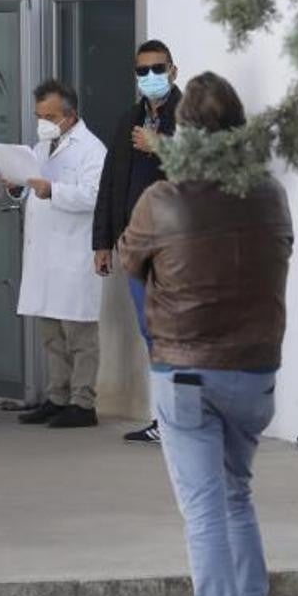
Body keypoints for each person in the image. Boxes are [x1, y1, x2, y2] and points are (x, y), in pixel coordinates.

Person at [119, 72, 293, 596]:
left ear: (182, 133)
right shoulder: (270, 193)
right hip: (256, 370)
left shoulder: (162, 200)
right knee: (237, 498)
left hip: (186, 372)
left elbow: (130, 263)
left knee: (204, 515)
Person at [92, 39, 182, 444]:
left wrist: (161, 145)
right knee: (152, 332)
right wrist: (103, 241)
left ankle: (183, 422)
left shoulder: (191, 115)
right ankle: (164, 420)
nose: (150, 77)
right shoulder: (128, 118)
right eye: (142, 71)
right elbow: (111, 183)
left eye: (157, 69)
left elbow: (210, 166)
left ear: (173, 71)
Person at [6, 80, 107, 429]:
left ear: (70, 115)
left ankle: (83, 402)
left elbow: (95, 196)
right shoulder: (42, 145)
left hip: (73, 252)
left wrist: (54, 191)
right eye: (39, 115)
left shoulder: (92, 150)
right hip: (45, 255)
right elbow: (35, 188)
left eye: (49, 116)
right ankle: (57, 397)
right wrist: (19, 187)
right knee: (51, 334)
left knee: (80, 335)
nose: (43, 122)